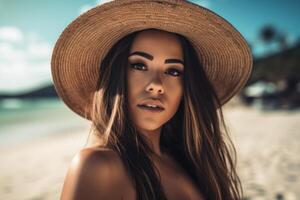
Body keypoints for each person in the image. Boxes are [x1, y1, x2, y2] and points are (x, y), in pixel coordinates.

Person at [51, 0, 253, 200]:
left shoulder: (190, 161)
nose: (156, 84)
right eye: (139, 65)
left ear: (187, 88)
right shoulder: (98, 166)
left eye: (173, 71)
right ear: (115, 76)